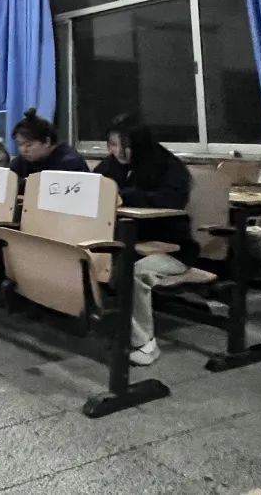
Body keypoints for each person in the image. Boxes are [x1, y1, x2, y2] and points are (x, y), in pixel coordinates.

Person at [94, 114, 193, 366]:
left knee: (134, 273)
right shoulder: (109, 167)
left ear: (141, 144)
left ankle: (145, 344)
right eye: (113, 145)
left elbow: (170, 202)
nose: (119, 152)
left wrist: (126, 195)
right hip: (125, 244)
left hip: (170, 249)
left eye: (126, 145)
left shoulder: (170, 168)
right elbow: (94, 189)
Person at [9, 108, 88, 188]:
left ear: (47, 141)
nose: (23, 150)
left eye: (29, 145)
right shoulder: (21, 162)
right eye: (19, 144)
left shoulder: (70, 163)